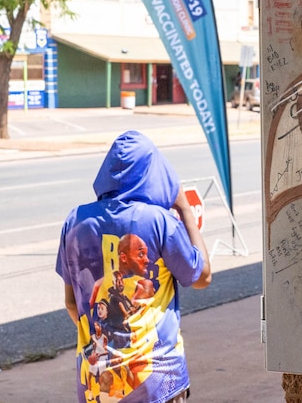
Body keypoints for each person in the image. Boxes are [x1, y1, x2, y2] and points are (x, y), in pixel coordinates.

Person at [56, 130, 211, 403]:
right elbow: (202, 277)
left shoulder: (75, 221)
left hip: (96, 381)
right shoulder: (159, 221)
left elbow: (71, 304)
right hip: (158, 378)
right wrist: (185, 207)